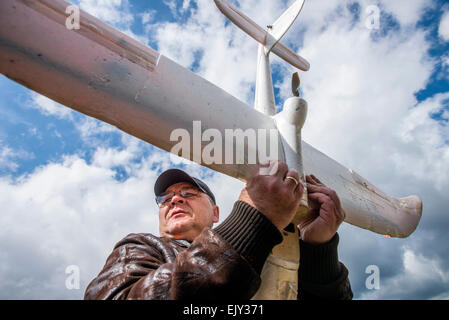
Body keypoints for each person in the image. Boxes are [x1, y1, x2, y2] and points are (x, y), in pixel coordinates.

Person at [84, 160, 353, 300]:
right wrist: (251, 221)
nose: (175, 199)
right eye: (165, 199)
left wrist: (319, 251)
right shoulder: (139, 247)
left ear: (215, 213)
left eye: (189, 193)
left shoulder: (266, 248)